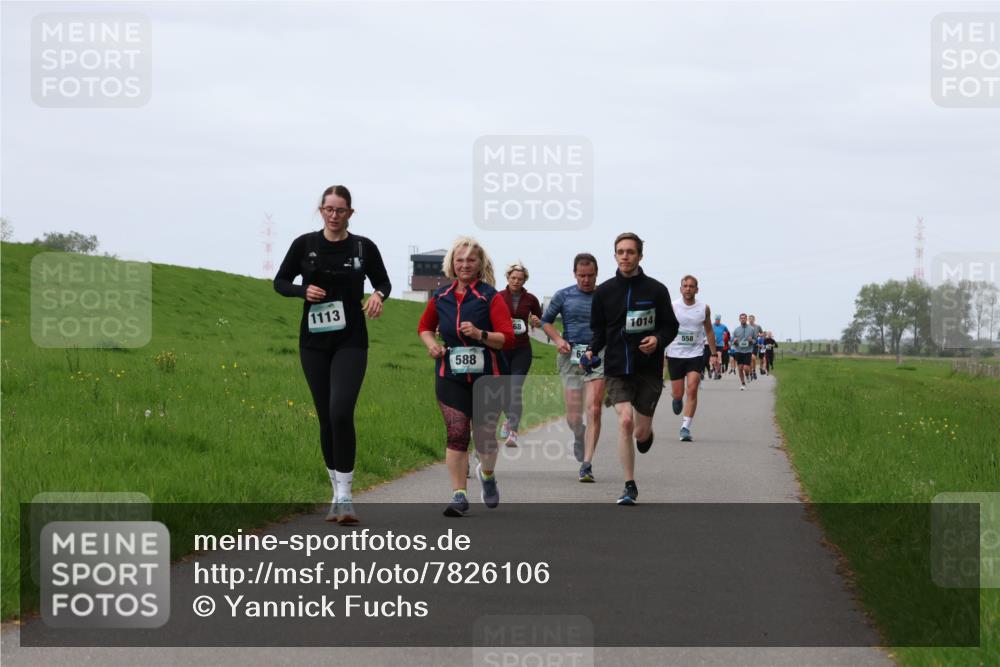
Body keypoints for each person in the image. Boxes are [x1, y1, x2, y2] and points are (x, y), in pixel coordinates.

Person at [273, 185, 391, 524]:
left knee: (341, 411)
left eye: (341, 210)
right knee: (325, 416)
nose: (334, 215)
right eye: (329, 209)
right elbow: (280, 282)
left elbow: (383, 282)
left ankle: (346, 496)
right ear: (321, 210)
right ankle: (335, 492)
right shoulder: (304, 244)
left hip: (351, 340)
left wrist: (378, 296)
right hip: (313, 342)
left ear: (350, 213)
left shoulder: (363, 247)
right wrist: (302, 290)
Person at [417, 237, 515, 517]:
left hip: (488, 377)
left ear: (480, 264)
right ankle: (459, 494)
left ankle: (487, 474)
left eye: (471, 260)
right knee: (457, 433)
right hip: (451, 375)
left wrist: (480, 334)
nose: (464, 265)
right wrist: (432, 345)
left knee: (484, 436)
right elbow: (424, 327)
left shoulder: (490, 297)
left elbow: (507, 338)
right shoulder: (441, 296)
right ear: (452, 263)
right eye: (459, 260)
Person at [584, 233, 678, 505]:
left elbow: (670, 326)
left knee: (640, 432)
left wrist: (657, 339)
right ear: (615, 256)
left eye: (630, 252)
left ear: (640, 256)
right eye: (620, 252)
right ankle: (629, 485)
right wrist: (591, 350)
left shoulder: (656, 290)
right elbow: (599, 332)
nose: (625, 256)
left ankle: (646, 434)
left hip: (648, 369)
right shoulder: (604, 292)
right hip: (616, 367)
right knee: (625, 420)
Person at [540, 254, 606, 482]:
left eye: (590, 276)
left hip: (598, 356)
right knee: (573, 417)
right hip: (571, 356)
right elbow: (545, 321)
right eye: (581, 276)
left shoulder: (605, 295)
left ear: (597, 274)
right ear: (574, 274)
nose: (586, 280)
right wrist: (558, 340)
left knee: (594, 409)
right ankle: (579, 434)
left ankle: (586, 465)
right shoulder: (564, 295)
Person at [666, 276, 719, 442]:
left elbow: (709, 330)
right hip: (675, 354)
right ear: (681, 289)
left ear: (697, 289)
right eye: (685, 286)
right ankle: (676, 399)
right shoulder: (673, 306)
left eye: (691, 286)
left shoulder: (704, 308)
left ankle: (685, 427)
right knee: (678, 393)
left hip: (695, 354)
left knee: (693, 388)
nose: (688, 289)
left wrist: (714, 354)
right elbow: (665, 327)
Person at [498, 262, 542, 448]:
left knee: (515, 389)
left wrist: (536, 321)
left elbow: (540, 319)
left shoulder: (531, 299)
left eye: (520, 279)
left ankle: (513, 432)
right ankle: (509, 419)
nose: (516, 281)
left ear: (525, 281)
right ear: (508, 278)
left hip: (522, 350)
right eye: (513, 278)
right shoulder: (498, 297)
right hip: (501, 349)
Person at [730, 313, 756, 391]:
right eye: (741, 318)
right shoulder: (736, 330)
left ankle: (747, 375)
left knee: (746, 367)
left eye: (744, 318)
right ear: (739, 320)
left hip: (748, 350)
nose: (743, 319)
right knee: (740, 368)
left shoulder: (751, 329)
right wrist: (734, 341)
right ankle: (743, 383)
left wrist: (752, 340)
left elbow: (755, 340)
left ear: (746, 319)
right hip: (739, 351)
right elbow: (732, 341)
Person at [712, 315, 730, 379]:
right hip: (713, 344)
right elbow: (707, 333)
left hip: (720, 344)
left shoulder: (723, 326)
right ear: (715, 320)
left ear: (720, 320)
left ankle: (718, 372)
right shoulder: (712, 326)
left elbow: (728, 333)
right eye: (716, 320)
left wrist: (727, 340)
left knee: (719, 357)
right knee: (714, 360)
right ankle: (716, 372)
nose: (717, 321)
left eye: (718, 320)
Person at [748, 315, 764, 380]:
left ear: (754, 319)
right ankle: (751, 373)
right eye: (749, 319)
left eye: (752, 319)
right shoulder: (746, 326)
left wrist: (759, 335)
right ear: (748, 320)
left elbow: (762, 333)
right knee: (750, 359)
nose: (751, 320)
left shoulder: (758, 326)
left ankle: (754, 371)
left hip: (755, 344)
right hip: (748, 345)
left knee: (753, 358)